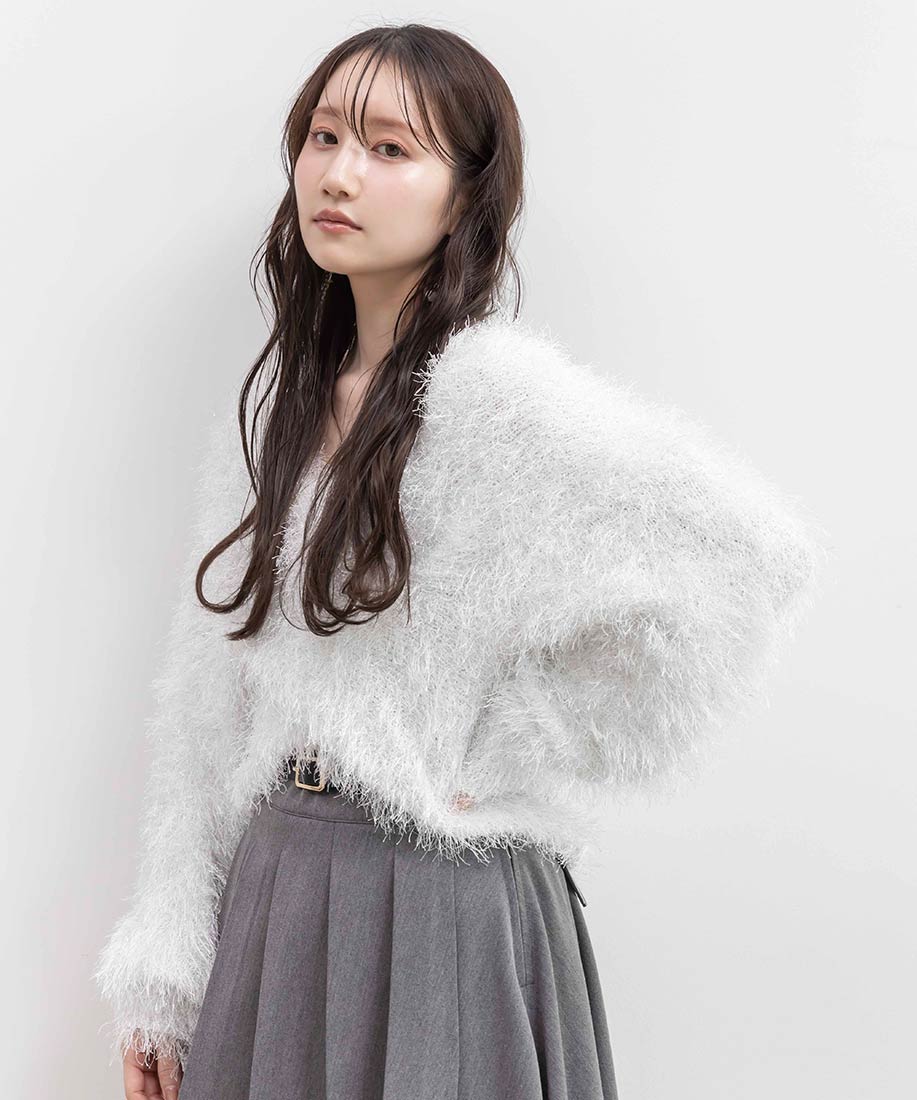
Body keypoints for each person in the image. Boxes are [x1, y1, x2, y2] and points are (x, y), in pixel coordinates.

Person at [92, 23, 829, 1100]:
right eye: (324, 136)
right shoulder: (283, 412)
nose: (339, 173)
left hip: (441, 905)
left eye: (390, 148)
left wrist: (519, 738)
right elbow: (208, 704)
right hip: (279, 889)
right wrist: (163, 966)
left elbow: (749, 556)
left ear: (464, 195)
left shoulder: (495, 399)